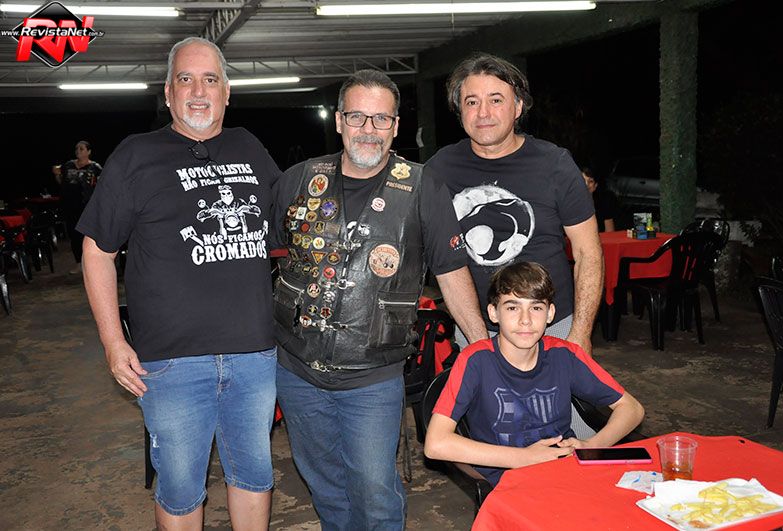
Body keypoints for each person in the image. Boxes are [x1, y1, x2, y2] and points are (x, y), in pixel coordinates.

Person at [78, 37, 282, 530]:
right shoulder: (137, 155)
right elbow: (97, 252)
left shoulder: (249, 147)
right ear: (168, 93)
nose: (198, 91)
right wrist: (113, 342)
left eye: (210, 80)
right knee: (181, 490)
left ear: (226, 92)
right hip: (171, 363)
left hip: (254, 355)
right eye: (185, 80)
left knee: (254, 478)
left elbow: (290, 227)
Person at [272, 69, 487, 530]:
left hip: (372, 375)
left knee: (373, 491)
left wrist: (483, 348)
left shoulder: (423, 186)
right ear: (338, 121)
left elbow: (451, 273)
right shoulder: (298, 180)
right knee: (324, 486)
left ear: (395, 125)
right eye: (357, 117)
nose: (368, 129)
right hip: (296, 370)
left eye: (381, 119)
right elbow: (261, 257)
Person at [426, 53, 604, 358]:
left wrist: (580, 333)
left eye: (496, 100)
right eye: (471, 102)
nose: (483, 112)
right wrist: (479, 344)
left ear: (518, 106)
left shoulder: (556, 165)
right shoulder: (439, 170)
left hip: (554, 327)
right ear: (460, 111)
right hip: (476, 328)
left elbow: (589, 253)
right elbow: (444, 263)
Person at [424, 262, 644, 487]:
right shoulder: (476, 361)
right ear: (493, 313)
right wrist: (524, 458)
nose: (525, 320)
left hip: (561, 471)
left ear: (550, 313)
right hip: (505, 481)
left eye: (536, 308)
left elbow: (632, 408)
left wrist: (592, 445)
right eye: (512, 307)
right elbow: (436, 444)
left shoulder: (564, 355)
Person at [58, 140, 102, 274]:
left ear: (89, 151)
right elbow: (62, 183)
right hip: (71, 205)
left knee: (88, 235)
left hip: (87, 205)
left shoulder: (95, 167)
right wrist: (57, 175)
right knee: (74, 234)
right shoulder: (68, 165)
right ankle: (79, 263)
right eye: (77, 148)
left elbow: (101, 185)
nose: (78, 151)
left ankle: (93, 263)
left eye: (81, 149)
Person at [582, 167, 618, 232]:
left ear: (595, 185)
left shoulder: (604, 203)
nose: (586, 184)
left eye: (591, 181)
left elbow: (609, 232)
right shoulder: (568, 203)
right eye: (582, 180)